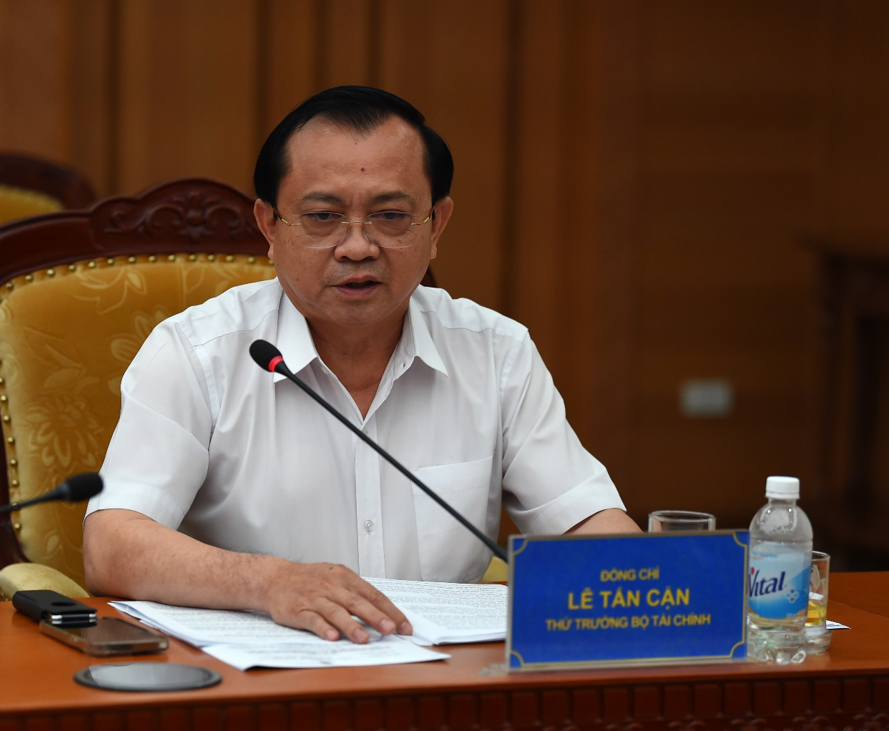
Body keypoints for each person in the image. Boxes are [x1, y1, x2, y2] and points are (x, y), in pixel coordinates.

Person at [83, 86, 640, 645]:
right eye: (323, 217)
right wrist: (270, 583)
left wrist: (656, 589)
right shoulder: (197, 352)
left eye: (390, 216)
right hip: (257, 675)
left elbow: (585, 521)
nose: (357, 247)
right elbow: (112, 546)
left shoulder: (496, 352)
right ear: (270, 226)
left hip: (445, 678)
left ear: (436, 225)